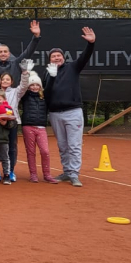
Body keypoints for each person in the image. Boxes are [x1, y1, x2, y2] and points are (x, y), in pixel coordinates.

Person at [44, 27, 96, 187]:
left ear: (63, 58)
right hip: (55, 114)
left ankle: (74, 174)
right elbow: (46, 94)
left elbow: (85, 57)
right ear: (50, 60)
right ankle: (67, 171)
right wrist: (51, 76)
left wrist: (91, 44)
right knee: (62, 145)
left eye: (59, 56)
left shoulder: (73, 67)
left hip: (73, 112)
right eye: (53, 56)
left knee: (74, 145)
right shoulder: (47, 74)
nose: (56, 58)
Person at [0, 66, 31, 182]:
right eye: (3, 79)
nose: (5, 81)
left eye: (7, 79)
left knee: (12, 148)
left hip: (13, 123)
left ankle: (10, 172)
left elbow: (24, 85)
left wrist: (24, 73)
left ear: (11, 82)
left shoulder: (16, 92)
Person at [20, 68, 55, 183]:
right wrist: (26, 74)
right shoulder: (25, 96)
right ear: (29, 86)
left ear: (40, 86)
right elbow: (23, 86)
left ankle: (47, 175)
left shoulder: (45, 97)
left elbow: (50, 88)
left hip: (41, 128)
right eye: (32, 85)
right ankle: (33, 174)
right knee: (31, 152)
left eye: (37, 85)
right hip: (28, 127)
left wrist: (53, 76)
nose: (34, 87)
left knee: (45, 151)